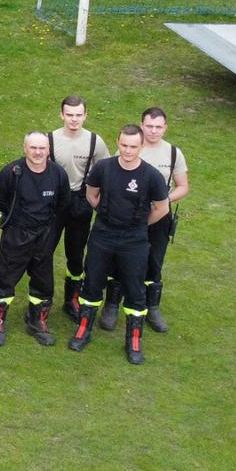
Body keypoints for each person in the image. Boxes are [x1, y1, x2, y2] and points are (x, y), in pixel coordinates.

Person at [70, 125, 171, 365]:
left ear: (142, 146)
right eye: (124, 145)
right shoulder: (103, 168)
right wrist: (106, 215)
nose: (127, 150)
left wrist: (139, 225)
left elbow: (162, 208)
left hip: (134, 240)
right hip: (103, 235)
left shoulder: (152, 176)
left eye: (133, 146)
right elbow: (91, 194)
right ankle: (83, 330)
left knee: (135, 290)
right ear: (118, 142)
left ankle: (133, 341)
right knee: (92, 282)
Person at [108, 106, 190, 334]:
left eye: (158, 127)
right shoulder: (129, 148)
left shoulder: (173, 153)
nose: (153, 131)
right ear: (141, 125)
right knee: (120, 259)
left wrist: (163, 200)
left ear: (165, 128)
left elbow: (183, 186)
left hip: (160, 216)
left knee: (154, 261)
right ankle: (112, 305)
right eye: (149, 126)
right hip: (129, 215)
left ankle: (151, 307)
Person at [0, 132, 70, 347]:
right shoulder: (12, 172)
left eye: (42, 148)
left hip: (44, 235)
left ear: (48, 149)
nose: (37, 152)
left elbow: (63, 202)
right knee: (4, 277)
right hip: (16, 234)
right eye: (33, 148)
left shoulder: (58, 174)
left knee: (44, 281)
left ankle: (36, 321)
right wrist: (17, 217)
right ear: (25, 148)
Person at [50, 95, 111, 322]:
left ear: (85, 115)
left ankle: (72, 299)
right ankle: (41, 299)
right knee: (43, 251)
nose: (74, 119)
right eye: (69, 114)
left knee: (75, 254)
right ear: (61, 115)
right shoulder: (50, 139)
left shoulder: (95, 142)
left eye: (78, 115)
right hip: (54, 202)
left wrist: (98, 201)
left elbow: (106, 173)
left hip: (81, 202)